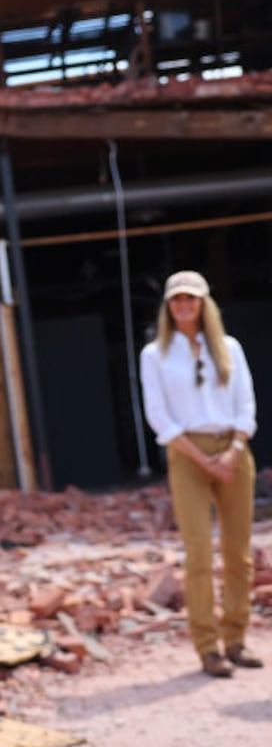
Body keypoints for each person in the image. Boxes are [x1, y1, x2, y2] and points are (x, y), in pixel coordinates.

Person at [139, 269, 262, 678]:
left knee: (238, 553)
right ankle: (207, 646)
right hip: (186, 453)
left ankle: (236, 638)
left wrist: (233, 451)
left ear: (204, 303)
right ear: (169, 307)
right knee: (197, 552)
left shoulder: (228, 348)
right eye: (177, 300)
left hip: (233, 449)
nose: (184, 305)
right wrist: (200, 457)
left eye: (191, 298)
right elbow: (158, 415)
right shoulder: (155, 355)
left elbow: (246, 403)